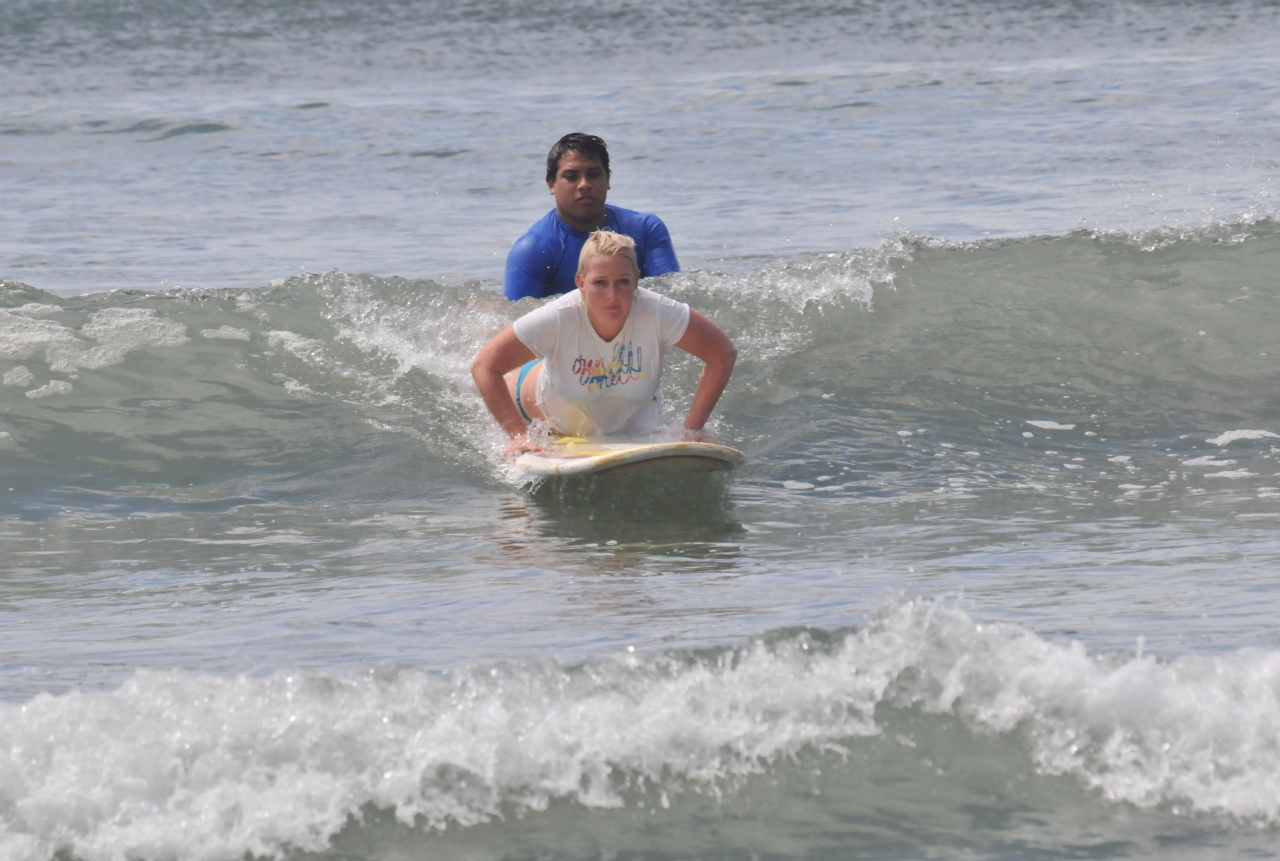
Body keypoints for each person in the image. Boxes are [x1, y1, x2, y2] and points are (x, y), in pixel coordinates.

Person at [474, 231, 734, 458]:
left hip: (629, 425)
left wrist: (693, 428)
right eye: (599, 283)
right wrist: (518, 436)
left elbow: (722, 354)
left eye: (623, 282)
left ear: (637, 280)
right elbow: (484, 366)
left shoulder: (657, 312)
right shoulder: (559, 315)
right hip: (538, 408)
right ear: (580, 283)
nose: (613, 295)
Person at [503, 133, 679, 301]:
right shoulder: (533, 250)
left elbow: (672, 300)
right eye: (571, 177)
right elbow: (514, 320)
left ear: (608, 179)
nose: (584, 184)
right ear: (552, 185)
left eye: (594, 175)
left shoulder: (646, 230)